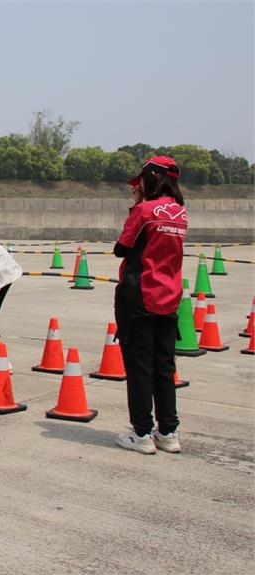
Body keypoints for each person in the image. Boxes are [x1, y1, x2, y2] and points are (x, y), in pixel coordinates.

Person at [113, 156, 188, 455]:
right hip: (169, 297)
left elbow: (121, 248)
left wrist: (137, 205)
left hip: (139, 296)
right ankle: (168, 431)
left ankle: (142, 432)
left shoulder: (144, 211)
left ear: (152, 178)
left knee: (139, 366)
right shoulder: (180, 212)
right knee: (164, 366)